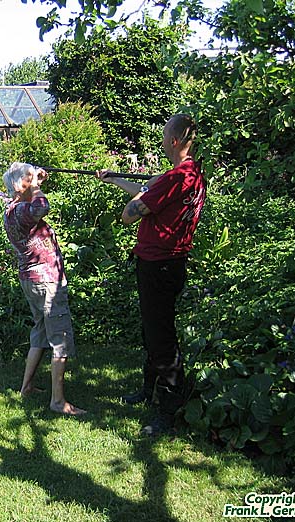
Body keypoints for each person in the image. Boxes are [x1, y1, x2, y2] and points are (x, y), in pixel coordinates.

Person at [97, 113, 205, 435]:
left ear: (173, 141)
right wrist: (114, 179)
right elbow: (147, 192)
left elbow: (129, 214)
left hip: (159, 265)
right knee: (153, 330)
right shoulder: (191, 173)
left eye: (163, 136)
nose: (161, 141)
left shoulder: (174, 179)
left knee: (161, 337)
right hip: (170, 263)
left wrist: (146, 191)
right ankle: (148, 391)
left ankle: (168, 410)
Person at [3, 162, 86, 416]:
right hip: (46, 281)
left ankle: (26, 387)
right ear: (20, 185)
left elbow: (34, 205)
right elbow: (41, 206)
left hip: (32, 280)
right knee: (59, 337)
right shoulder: (22, 211)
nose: (35, 181)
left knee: (40, 330)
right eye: (29, 178)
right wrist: (36, 185)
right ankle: (58, 401)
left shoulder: (13, 209)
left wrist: (35, 182)